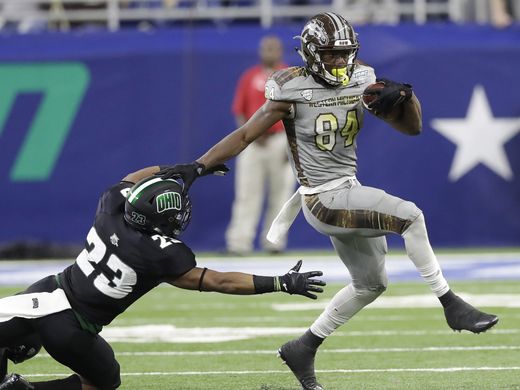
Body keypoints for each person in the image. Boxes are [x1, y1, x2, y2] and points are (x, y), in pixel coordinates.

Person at [157, 12, 499, 390]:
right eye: (331, 54)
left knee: (371, 284)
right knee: (411, 217)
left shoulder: (362, 78)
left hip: (347, 188)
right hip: (322, 197)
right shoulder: (291, 88)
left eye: (344, 53)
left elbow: (412, 128)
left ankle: (303, 347)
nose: (339, 61)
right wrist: (198, 167)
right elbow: (245, 134)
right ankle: (451, 304)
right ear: (310, 53)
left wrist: (407, 96)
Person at [0, 165, 325, 390]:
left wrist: (178, 168)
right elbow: (219, 282)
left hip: (43, 293)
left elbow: (131, 178)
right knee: (103, 382)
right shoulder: (161, 254)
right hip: (71, 328)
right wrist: (280, 283)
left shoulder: (111, 210)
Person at [225, 35, 294, 255]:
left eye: (273, 49)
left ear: (280, 51)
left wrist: (292, 144)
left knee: (281, 195)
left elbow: (298, 114)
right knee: (246, 195)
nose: (269, 53)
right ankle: (239, 243)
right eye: (266, 49)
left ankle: (274, 243)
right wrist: (248, 135)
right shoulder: (249, 76)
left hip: (280, 140)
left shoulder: (290, 76)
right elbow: (239, 111)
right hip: (252, 143)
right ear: (260, 51)